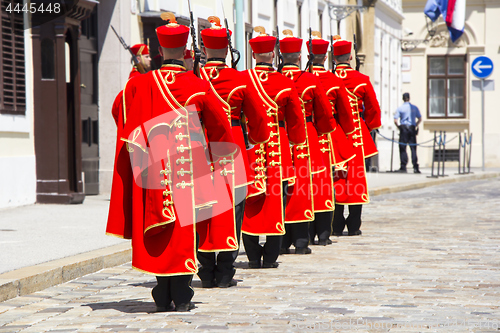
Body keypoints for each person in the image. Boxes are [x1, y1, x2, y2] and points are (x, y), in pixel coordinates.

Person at [106, 13, 236, 312]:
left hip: (151, 167)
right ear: (185, 52)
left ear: (161, 51)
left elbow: (119, 112)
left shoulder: (138, 85)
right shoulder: (197, 85)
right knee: (183, 228)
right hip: (188, 168)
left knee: (159, 226)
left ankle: (162, 292)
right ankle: (181, 293)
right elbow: (220, 128)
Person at [196, 16, 270, 288]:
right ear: (227, 50)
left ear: (203, 50)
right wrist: (255, 140)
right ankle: (225, 270)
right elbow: (259, 120)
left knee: (202, 207)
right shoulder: (240, 80)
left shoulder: (195, 78)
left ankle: (205, 269)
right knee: (233, 208)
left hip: (200, 145)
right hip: (235, 146)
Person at [241, 26, 306, 268]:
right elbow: (296, 121)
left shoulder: (244, 79)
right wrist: (297, 142)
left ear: (253, 54)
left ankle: (252, 256)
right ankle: (270, 257)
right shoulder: (284, 82)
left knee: (251, 199)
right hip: (277, 145)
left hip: (250, 144)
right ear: (273, 54)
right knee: (275, 200)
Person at [278, 30, 336, 254]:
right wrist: (323, 130)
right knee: (303, 187)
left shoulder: (273, 78)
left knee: (282, 187)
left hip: (280, 136)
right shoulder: (310, 80)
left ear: (280, 56)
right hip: (307, 136)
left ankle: (281, 240)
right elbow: (324, 112)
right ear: (300, 57)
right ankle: (301, 240)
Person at [308, 32, 356, 245]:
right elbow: (345, 114)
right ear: (326, 58)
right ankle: (324, 233)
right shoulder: (333, 80)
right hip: (328, 136)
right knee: (326, 184)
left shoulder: (300, 78)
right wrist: (345, 133)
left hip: (305, 136)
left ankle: (306, 233)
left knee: (306, 185)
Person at [332, 38, 381, 237]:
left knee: (336, 177)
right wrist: (366, 126)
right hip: (356, 134)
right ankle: (354, 224)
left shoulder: (328, 77)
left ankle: (335, 224)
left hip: (334, 132)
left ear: (333, 58)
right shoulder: (362, 79)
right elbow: (373, 109)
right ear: (350, 56)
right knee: (356, 177)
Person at [394, 92, 422, 173]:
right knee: (413, 148)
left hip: (404, 129)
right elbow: (420, 118)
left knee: (403, 147)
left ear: (403, 99)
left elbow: (395, 120)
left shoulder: (400, 108)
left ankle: (403, 166)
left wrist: (399, 127)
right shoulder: (414, 108)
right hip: (412, 128)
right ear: (409, 98)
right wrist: (415, 125)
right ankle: (415, 167)